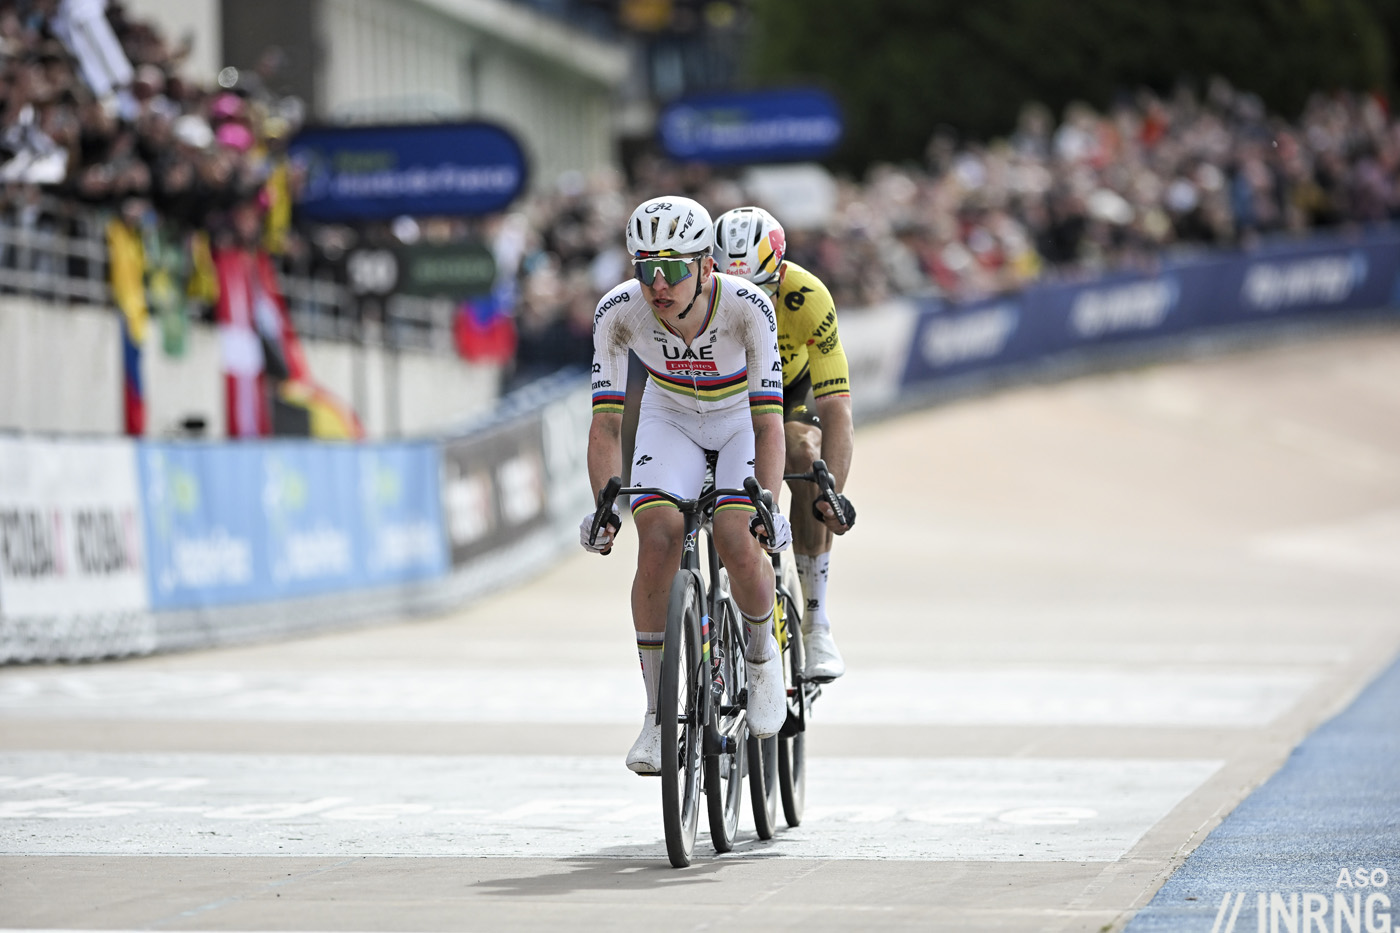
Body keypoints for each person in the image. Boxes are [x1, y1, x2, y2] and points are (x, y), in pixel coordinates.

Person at [581, 195, 792, 775]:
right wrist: (604, 506)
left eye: (672, 269)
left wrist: (766, 504)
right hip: (669, 416)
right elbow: (604, 424)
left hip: (737, 420)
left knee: (735, 534)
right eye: (645, 269)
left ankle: (759, 657)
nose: (658, 285)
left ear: (706, 266)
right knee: (656, 537)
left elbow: (769, 423)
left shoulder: (748, 308)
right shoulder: (618, 312)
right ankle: (655, 716)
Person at [713, 206, 856, 682]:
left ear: (779, 273)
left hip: (790, 390)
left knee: (802, 453)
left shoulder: (808, 296)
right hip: (724, 391)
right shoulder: (697, 293)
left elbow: (837, 407)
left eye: (759, 290)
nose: (748, 302)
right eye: (737, 290)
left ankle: (816, 620)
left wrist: (830, 492)